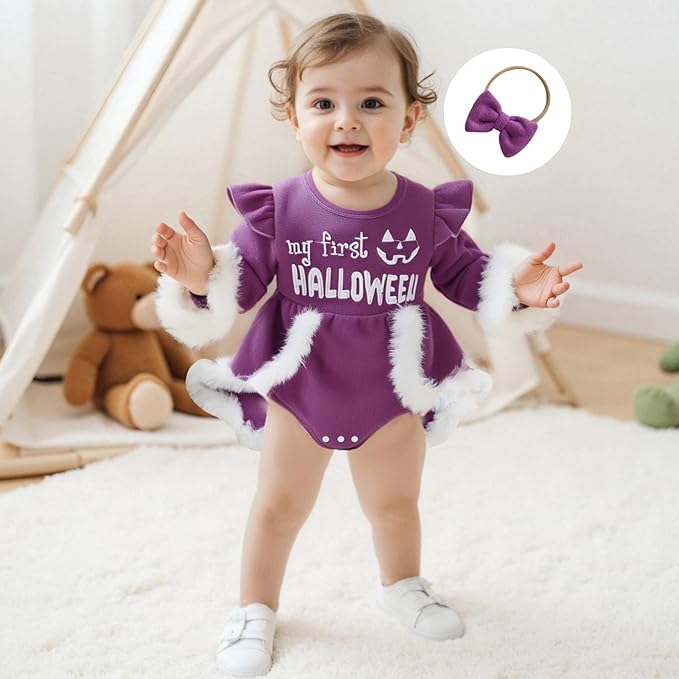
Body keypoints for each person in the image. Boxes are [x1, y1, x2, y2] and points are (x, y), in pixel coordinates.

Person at [152, 12, 583, 677]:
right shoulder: (279, 207)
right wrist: (198, 277)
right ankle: (255, 608)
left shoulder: (425, 211)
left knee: (394, 501)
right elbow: (240, 281)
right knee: (279, 505)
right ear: (294, 119)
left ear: (408, 121)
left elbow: (467, 276)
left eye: (371, 103)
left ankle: (401, 584)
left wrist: (516, 287)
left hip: (391, 384)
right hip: (302, 382)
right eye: (323, 103)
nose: (346, 120)